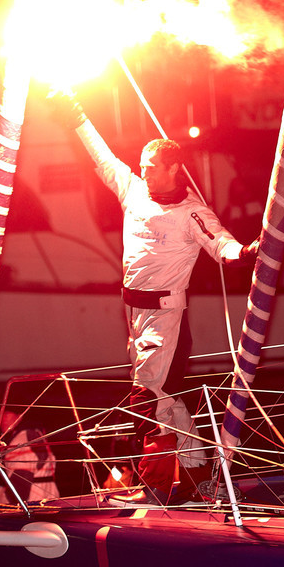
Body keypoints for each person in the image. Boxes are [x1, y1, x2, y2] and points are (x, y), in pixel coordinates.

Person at [51, 92, 257, 497]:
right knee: (167, 401)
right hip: (132, 314)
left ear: (174, 169)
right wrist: (75, 116)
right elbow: (102, 157)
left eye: (151, 168)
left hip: (166, 319)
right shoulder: (133, 191)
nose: (143, 173)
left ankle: (155, 487)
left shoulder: (190, 213)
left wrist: (244, 253)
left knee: (145, 401)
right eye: (142, 167)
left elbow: (222, 244)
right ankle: (200, 476)